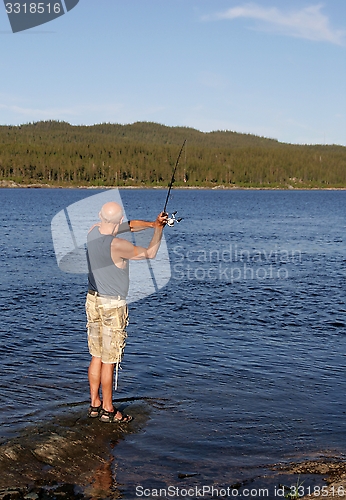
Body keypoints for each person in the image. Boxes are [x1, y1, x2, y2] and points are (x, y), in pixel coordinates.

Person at [85, 201, 167, 423]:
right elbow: (149, 253)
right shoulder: (118, 245)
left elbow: (129, 226)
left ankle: (94, 404)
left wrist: (151, 223)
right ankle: (108, 410)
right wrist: (159, 231)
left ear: (100, 216)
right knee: (109, 360)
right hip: (112, 306)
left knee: (96, 355)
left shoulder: (92, 231)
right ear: (118, 221)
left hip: (92, 301)